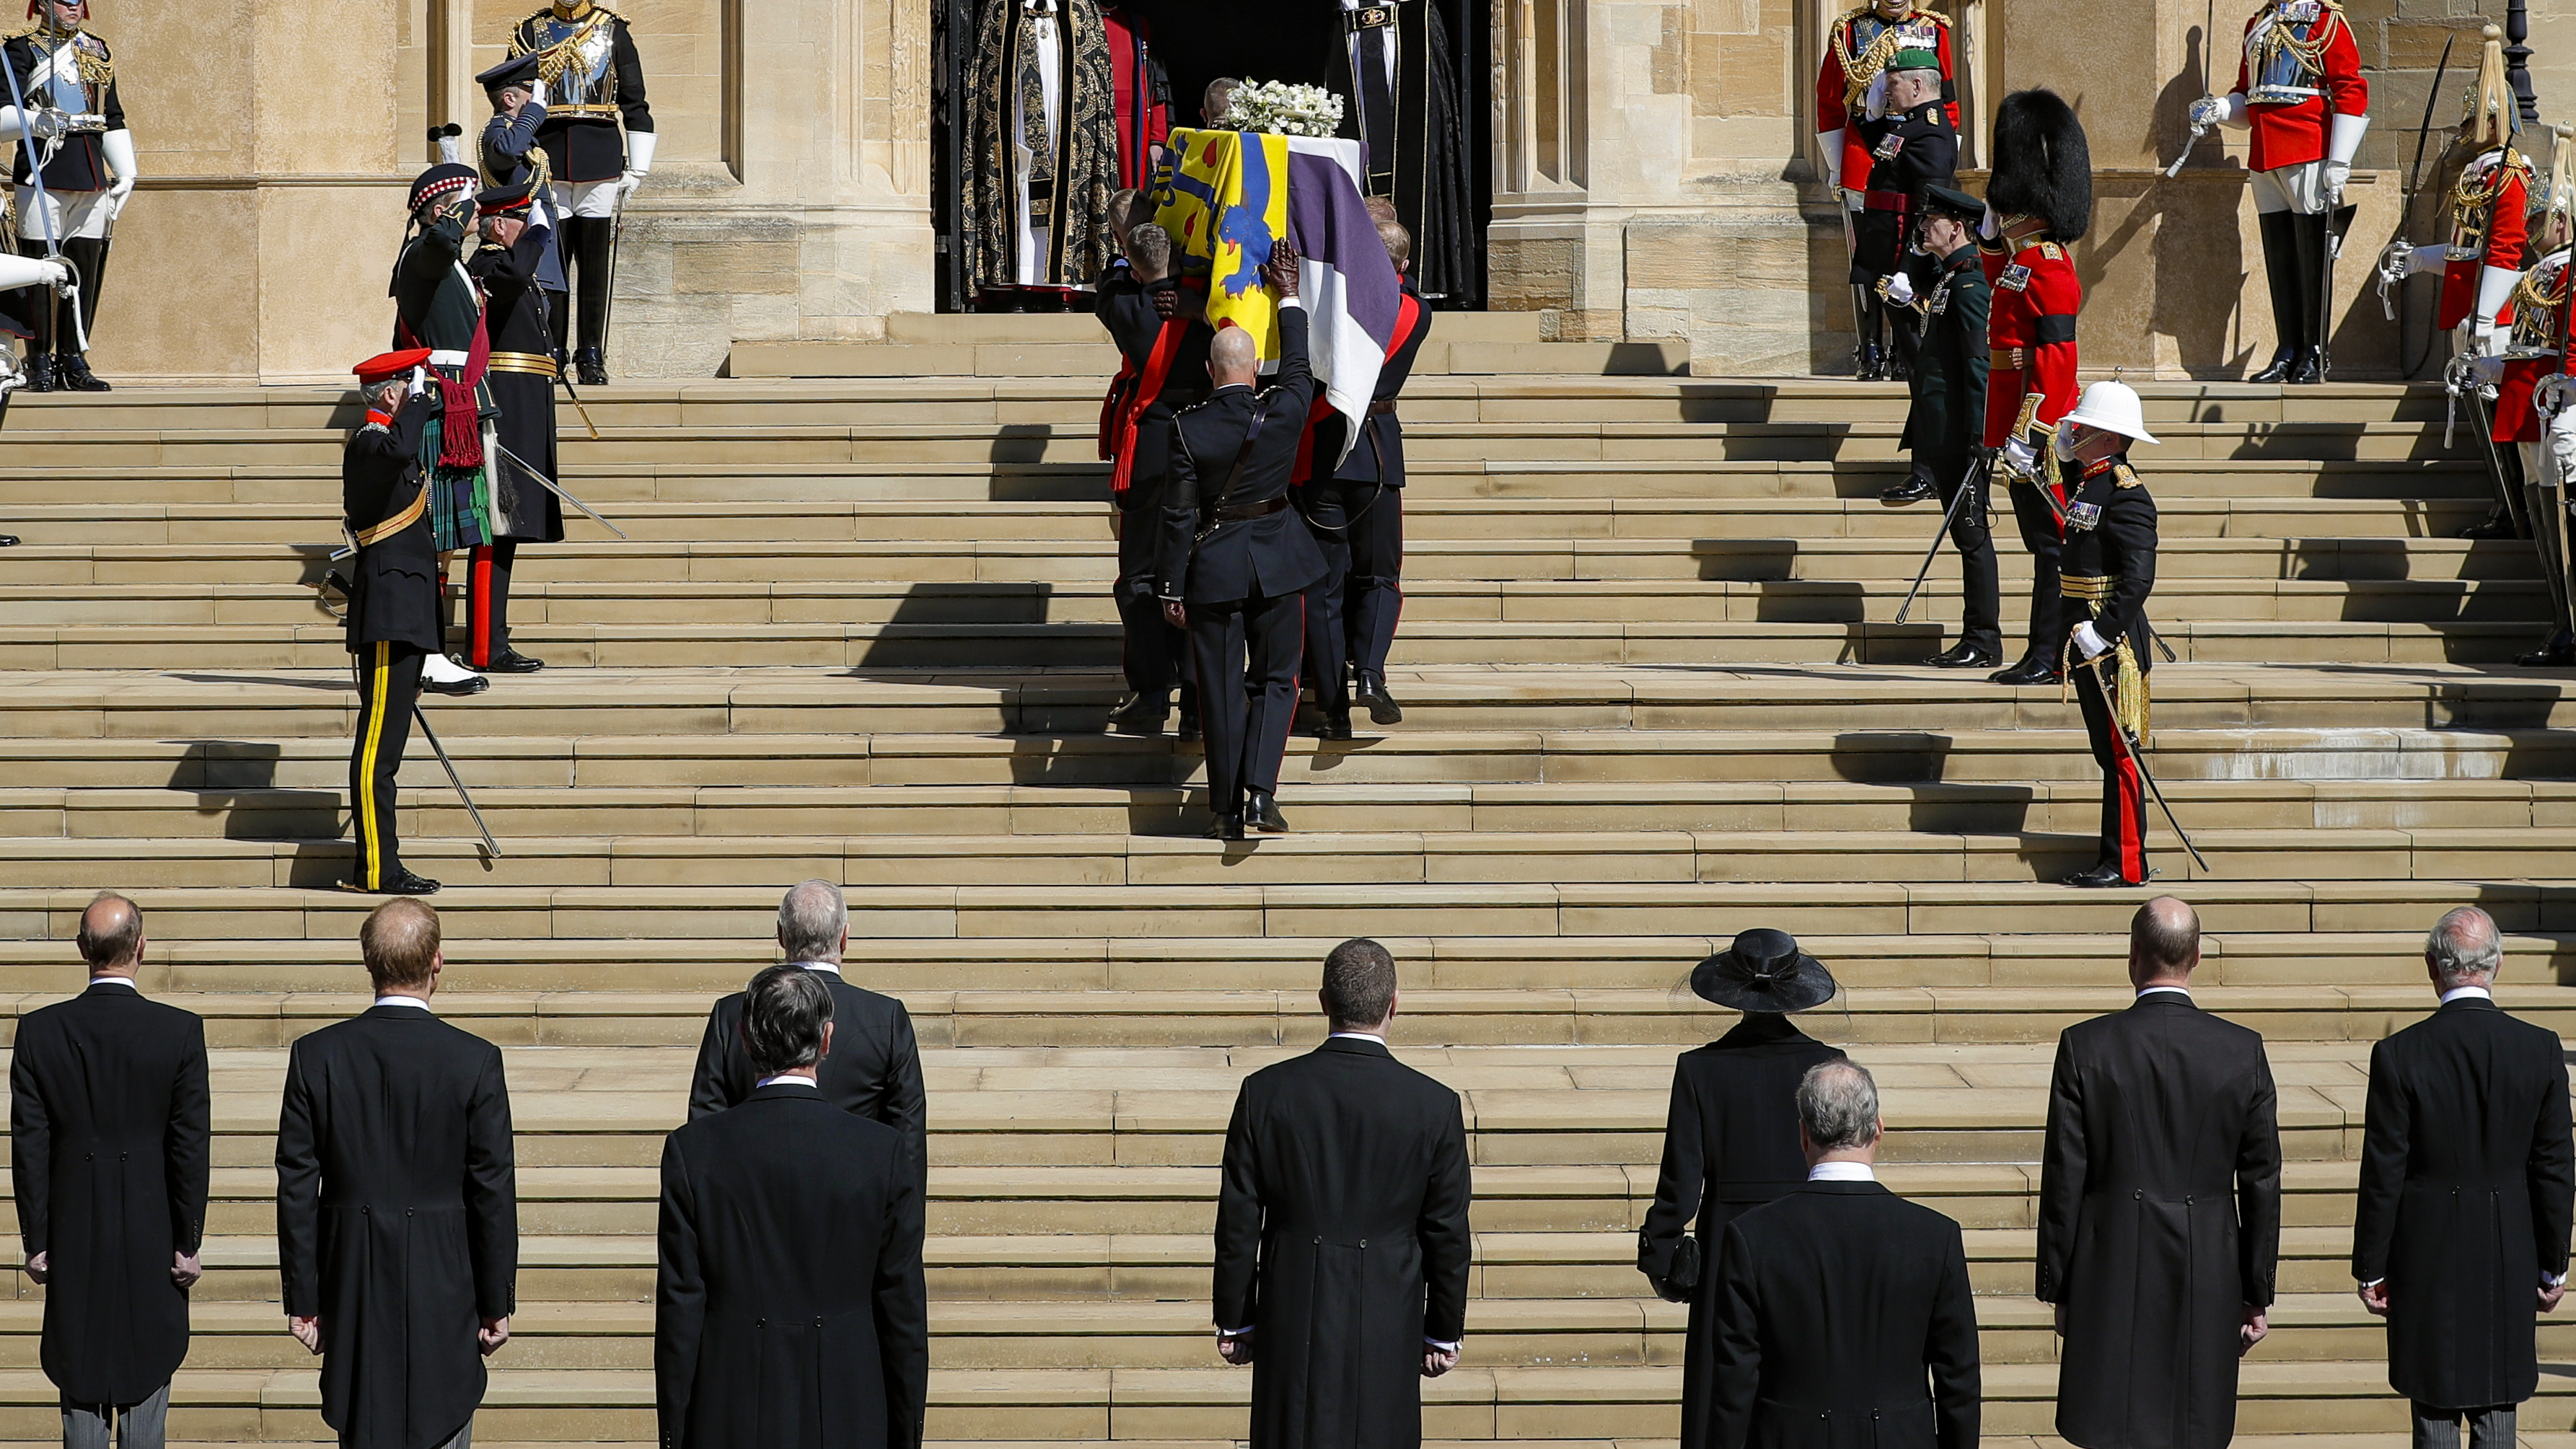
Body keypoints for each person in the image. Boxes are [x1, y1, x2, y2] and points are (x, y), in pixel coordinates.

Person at [2036, 897, 2282, 1449]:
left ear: (2132, 955)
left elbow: (2063, 1178)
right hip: (2210, 1266)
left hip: (2109, 1265)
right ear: (2196, 957)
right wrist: (2255, 1287)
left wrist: (2060, 1286)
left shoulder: (2086, 1045)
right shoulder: (2240, 1050)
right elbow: (2262, 1179)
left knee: (2111, 1428)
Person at [276, 898, 517, 1449]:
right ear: (437, 962)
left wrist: (304, 1296)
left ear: (369, 961)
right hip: (446, 1283)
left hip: (353, 1284)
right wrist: (495, 1300)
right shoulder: (473, 1059)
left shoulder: (319, 1055)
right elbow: (492, 1190)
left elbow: (296, 1186)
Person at [656, 964, 929, 1449]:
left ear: (743, 1037)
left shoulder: (693, 1151)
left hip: (728, 1410)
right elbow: (901, 1308)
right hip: (851, 1406)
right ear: (827, 1039)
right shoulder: (880, 1151)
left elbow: (680, 1310)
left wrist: (675, 1431)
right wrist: (905, 1431)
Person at [1213, 938, 1472, 1449]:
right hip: (1388, 1313)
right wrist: (1442, 1329)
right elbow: (1446, 1231)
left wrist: (1237, 1317)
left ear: (1323, 1001)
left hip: (1292, 1309)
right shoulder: (1433, 1105)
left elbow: (1239, 1217)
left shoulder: (1265, 1092)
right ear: (1393, 1003)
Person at [2353, 906, 2575, 1449]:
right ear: (2497, 963)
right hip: (2507, 1246)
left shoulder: (2399, 1053)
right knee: (2496, 1402)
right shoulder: (2538, 1048)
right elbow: (2553, 1168)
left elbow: (2384, 1171)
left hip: (2425, 1252)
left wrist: (2370, 1266)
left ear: (2433, 966)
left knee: (2432, 1400)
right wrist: (2553, 1263)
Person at [11, 892, 208, 1449]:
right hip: (152, 1231)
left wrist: (37, 1237)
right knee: (147, 1387)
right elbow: (189, 1147)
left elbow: (30, 1146)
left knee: (80, 1387)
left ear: (82, 950)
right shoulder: (179, 1031)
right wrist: (188, 1238)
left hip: (73, 1232)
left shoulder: (40, 1032)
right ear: (141, 948)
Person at [1637, 929, 1846, 1449]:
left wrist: (1661, 1255)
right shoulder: (1828, 1065)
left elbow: (1679, 1182)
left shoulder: (1699, 1069)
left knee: (1722, 1400)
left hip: (1729, 1246)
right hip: (1811, 1242)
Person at [1706, 1060, 1979, 1449]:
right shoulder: (1936, 1236)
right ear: (1878, 1129)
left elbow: (1733, 1383)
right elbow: (1960, 1380)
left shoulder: (1752, 1237)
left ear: (1803, 1134)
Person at [1155, 242, 1327, 839]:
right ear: (1254, 370)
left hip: (1214, 567)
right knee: (1279, 679)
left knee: (1223, 691)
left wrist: (1169, 585)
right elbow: (1301, 365)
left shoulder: (1186, 427)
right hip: (1279, 559)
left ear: (1210, 371)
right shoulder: (1282, 409)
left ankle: (1224, 808)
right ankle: (1260, 792)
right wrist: (1289, 296)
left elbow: (1176, 514)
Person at [341, 348, 480, 898]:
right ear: (391, 395)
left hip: (406, 615)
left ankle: (384, 861)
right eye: (407, 386)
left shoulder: (388, 446)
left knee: (388, 750)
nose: (415, 394)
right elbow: (399, 445)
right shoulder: (369, 443)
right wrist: (419, 398)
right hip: (385, 613)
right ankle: (377, 867)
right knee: (377, 750)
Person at [2378, 30, 2528, 539]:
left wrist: (2483, 319)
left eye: (2472, 119)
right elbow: (2467, 255)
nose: (2465, 129)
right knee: (2484, 432)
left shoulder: (2507, 171)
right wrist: (2418, 259)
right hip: (2471, 316)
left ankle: (2515, 514)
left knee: (2502, 432)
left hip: (2493, 321)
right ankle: (2503, 509)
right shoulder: (2481, 170)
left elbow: (2505, 252)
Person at [686, 881, 927, 1181]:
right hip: (854, 1201)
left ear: (781, 936)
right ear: (844, 938)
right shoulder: (885, 1017)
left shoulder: (732, 1013)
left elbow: (704, 1127)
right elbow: (908, 1137)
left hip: (749, 1203)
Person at [2189, 0, 2369, 383]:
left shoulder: (2326, 20)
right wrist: (2220, 109)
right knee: (2281, 255)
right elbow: (2250, 94)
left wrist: (2339, 161)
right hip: (2263, 154)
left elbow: (2349, 89)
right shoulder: (2258, 23)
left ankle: (2315, 351)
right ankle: (2287, 349)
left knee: (2311, 257)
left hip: (2307, 147)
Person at [1301, 216, 1432, 734]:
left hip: (1326, 445)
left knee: (1326, 585)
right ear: (1403, 265)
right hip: (1378, 450)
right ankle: (1372, 673)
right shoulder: (1416, 312)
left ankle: (1332, 707)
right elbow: (1402, 287)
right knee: (1380, 576)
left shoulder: (1330, 301)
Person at [1979, 88, 2088, 687]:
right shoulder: (2025, 260)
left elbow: (2055, 357)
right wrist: (1992, 233)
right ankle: (2039, 651)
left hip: (2037, 432)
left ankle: (2048, 656)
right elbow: (1997, 278)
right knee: (2038, 548)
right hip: (2011, 422)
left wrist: (2031, 430)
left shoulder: (2049, 263)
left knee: (2051, 549)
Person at [390, 159, 500, 695]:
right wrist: (453, 215)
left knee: (449, 539)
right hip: (440, 406)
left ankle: (430, 649)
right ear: (443, 210)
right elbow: (438, 245)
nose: (477, 212)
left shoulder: (447, 261)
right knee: (435, 536)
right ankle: (426, 654)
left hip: (459, 402)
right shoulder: (423, 255)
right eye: (468, 204)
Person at [1097, 216, 1208, 738]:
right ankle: (1196, 699)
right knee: (1193, 577)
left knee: (1140, 579)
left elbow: (1110, 280)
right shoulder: (1210, 310)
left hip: (1150, 461)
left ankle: (1150, 692)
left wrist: (1134, 256)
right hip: (1201, 453)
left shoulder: (1125, 307)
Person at [2049, 380, 2160, 889]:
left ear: (2111, 439)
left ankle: (2125, 862)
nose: (2076, 430)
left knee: (2118, 753)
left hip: (2110, 643)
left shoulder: (2124, 493)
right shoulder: (2089, 480)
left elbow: (2137, 578)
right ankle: (2110, 854)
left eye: (2086, 426)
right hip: (2083, 631)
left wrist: (2102, 631)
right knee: (2104, 750)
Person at [1880, 186, 1996, 669]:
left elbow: (1977, 365)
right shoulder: (1949, 278)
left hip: (1961, 437)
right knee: (1965, 536)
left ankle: (1983, 639)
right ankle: (1976, 636)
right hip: (1942, 433)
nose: (1923, 227)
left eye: (1934, 220)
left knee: (1971, 535)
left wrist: (1979, 436)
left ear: (1958, 227)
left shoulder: (1969, 284)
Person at [506, 0, 653, 384]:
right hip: (547, 157)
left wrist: (637, 167)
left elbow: (634, 100)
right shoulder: (529, 32)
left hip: (598, 156)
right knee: (552, 265)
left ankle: (591, 352)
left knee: (592, 266)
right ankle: (552, 350)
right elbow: (512, 98)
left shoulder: (614, 30)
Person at [1814, 0, 1954, 379]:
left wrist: (1943, 153)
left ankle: (1905, 349)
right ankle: (1871, 348)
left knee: (1912, 253)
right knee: (1871, 256)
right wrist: (1835, 161)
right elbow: (1830, 100)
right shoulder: (1849, 30)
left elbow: (1948, 100)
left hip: (1921, 152)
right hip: (1866, 152)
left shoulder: (1934, 29)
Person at [1, 0, 133, 392]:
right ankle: (39, 356)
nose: (74, 8)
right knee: (40, 269)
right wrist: (33, 121)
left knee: (84, 268)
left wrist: (126, 170)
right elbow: (3, 108)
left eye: (79, 2)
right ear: (42, 4)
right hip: (44, 167)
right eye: (65, 0)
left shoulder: (98, 48)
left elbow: (111, 114)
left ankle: (74, 356)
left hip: (91, 169)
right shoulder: (18, 49)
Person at [463, 178, 563, 674]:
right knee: (494, 528)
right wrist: (537, 237)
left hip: (527, 408)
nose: (534, 230)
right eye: (524, 219)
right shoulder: (487, 264)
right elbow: (514, 272)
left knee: (508, 530)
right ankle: (485, 645)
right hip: (506, 409)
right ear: (500, 223)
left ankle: (492, 638)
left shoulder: (508, 264)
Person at [962, 0, 1118, 308]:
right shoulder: (1001, 10)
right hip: (1015, 129)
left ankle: (1065, 286)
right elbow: (986, 80)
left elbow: (1096, 85)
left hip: (1067, 129)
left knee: (1066, 187)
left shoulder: (1080, 11)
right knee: (1017, 189)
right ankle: (1015, 282)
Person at [1324, 0, 1475, 304]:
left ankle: (1421, 276)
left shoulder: (1419, 16)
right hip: (1355, 59)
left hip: (1406, 46)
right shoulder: (1341, 22)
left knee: (1418, 161)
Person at [1847, 53, 1955, 382]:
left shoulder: (1931, 132)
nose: (1888, 92)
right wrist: (1873, 115)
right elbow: (1883, 149)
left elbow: (1929, 206)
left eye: (1893, 84)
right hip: (1885, 250)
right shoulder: (1914, 125)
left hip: (1902, 257)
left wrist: (1909, 269)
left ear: (1918, 85)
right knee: (1912, 358)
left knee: (1918, 356)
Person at [475, 52, 568, 300]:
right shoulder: (498, 133)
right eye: (531, 94)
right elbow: (507, 151)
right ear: (509, 98)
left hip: (538, 246)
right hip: (521, 244)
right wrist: (534, 113)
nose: (538, 101)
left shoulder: (522, 137)